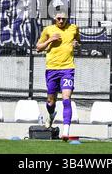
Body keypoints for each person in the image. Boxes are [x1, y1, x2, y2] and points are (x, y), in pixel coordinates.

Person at [36, 10, 81, 140]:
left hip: (68, 69)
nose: (61, 21)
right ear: (55, 18)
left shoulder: (73, 28)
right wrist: (50, 40)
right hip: (52, 69)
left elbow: (78, 42)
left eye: (64, 19)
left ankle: (66, 131)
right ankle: (51, 116)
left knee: (66, 98)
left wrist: (77, 45)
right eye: (59, 19)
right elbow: (38, 48)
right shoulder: (48, 30)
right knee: (51, 101)